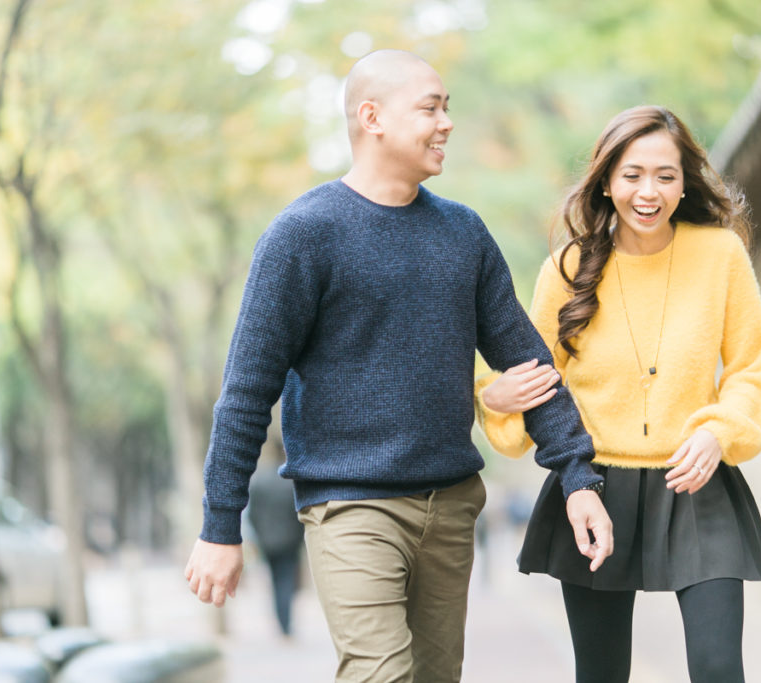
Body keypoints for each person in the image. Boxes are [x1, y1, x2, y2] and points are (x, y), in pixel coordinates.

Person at [184, 49, 613, 682]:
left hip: (450, 506)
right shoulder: (304, 235)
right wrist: (221, 527)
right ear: (372, 117)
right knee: (379, 674)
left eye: (448, 108)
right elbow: (247, 392)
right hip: (350, 508)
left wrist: (578, 477)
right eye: (430, 108)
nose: (446, 123)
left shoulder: (464, 235)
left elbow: (531, 365)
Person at [476, 105, 761, 683]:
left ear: (685, 181)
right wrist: (493, 398)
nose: (649, 191)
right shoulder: (567, 268)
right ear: (607, 180)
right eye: (633, 174)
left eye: (666, 175)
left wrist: (720, 431)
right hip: (593, 487)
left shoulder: (720, 256)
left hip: (695, 477)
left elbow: (755, 362)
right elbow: (535, 378)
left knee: (719, 668)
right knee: (602, 672)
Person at [246, 419, 303, 637]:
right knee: (286, 581)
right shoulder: (291, 483)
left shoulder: (260, 481)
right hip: (289, 541)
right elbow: (298, 514)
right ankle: (286, 623)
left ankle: (282, 622)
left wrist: (259, 536)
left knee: (275, 581)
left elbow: (252, 514)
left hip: (268, 542)